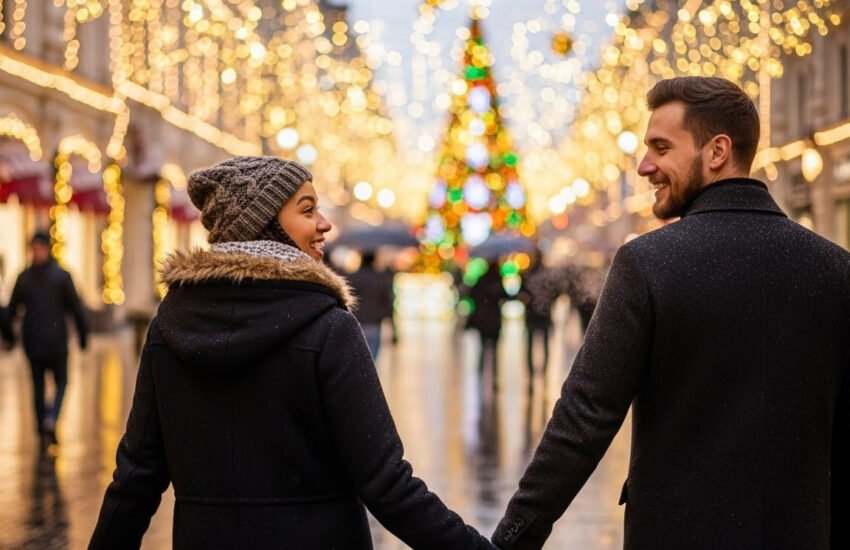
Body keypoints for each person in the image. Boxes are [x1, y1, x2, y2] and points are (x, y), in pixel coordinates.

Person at [492, 76, 849, 549]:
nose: (645, 167)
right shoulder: (835, 268)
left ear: (717, 151)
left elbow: (586, 414)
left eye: (661, 147)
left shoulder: (649, 262)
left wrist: (511, 538)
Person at [89, 157, 493, 549]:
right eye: (307, 210)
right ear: (265, 225)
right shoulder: (328, 326)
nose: (324, 224)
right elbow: (386, 482)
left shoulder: (171, 324)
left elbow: (136, 479)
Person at [2, 230, 88, 445]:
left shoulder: (41, 277)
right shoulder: (47, 277)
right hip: (42, 343)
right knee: (40, 386)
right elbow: (11, 312)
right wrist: (9, 337)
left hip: (51, 343)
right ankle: (46, 424)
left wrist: (83, 335)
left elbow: (76, 309)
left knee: (59, 383)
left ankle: (47, 421)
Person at [465, 260, 509, 391]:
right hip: (494, 320)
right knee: (494, 350)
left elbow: (471, 294)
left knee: (483, 348)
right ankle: (494, 376)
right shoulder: (498, 281)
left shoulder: (481, 280)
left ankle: (480, 374)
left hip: (483, 320)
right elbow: (504, 296)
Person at [347, 250, 394, 359]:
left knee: (358, 358)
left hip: (357, 322)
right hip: (375, 323)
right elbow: (387, 301)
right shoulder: (380, 278)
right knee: (372, 359)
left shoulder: (354, 277)